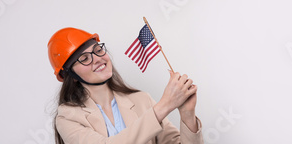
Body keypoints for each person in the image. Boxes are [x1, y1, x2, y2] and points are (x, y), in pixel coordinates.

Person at [47, 27, 203, 144]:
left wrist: (187, 115)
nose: (97, 59)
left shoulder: (142, 100)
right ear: (71, 76)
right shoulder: (67, 117)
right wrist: (165, 105)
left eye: (97, 50)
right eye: (85, 58)